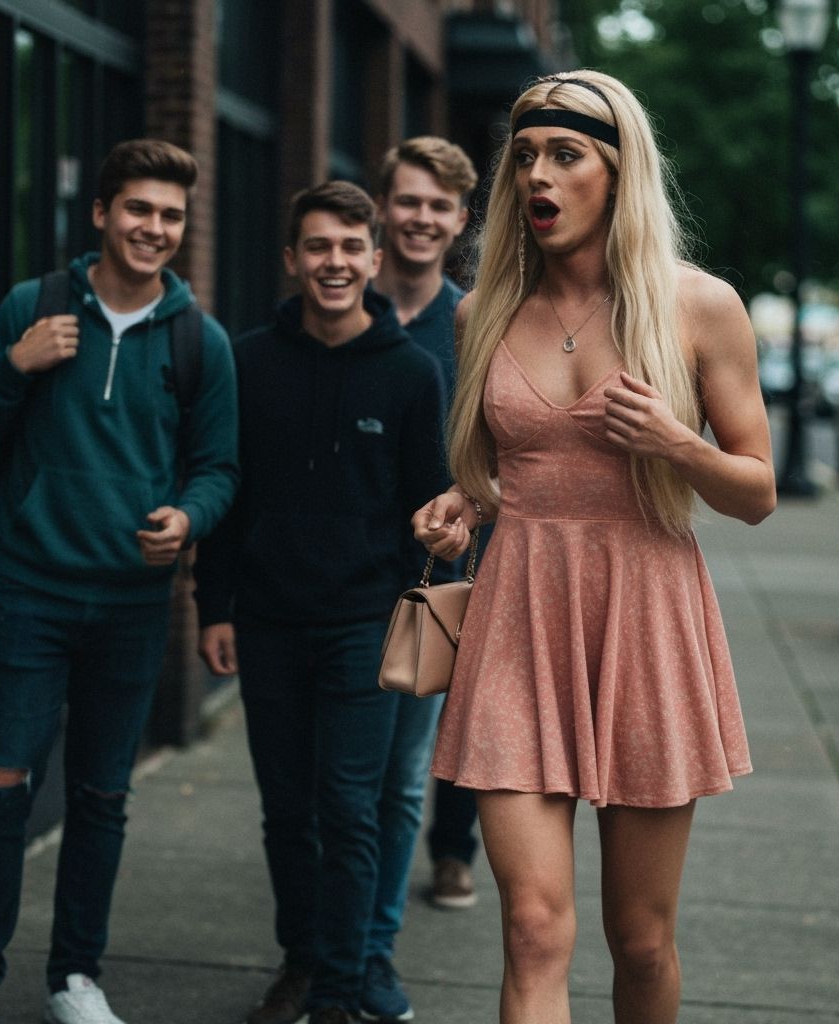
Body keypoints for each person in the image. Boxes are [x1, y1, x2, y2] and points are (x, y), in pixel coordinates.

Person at [412, 71, 776, 1024]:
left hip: (647, 624)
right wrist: (460, 503)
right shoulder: (479, 312)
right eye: (525, 156)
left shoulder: (699, 307)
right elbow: (499, 473)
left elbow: (759, 493)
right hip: (519, 622)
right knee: (532, 928)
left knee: (641, 939)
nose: (539, 173)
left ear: (618, 176)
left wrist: (676, 442)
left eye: (566, 155)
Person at [0, 139, 239, 1024]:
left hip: (132, 606)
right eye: (139, 209)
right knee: (1, 787)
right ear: (101, 213)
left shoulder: (196, 339)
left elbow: (218, 468)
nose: (155, 228)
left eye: (171, 215)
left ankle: (75, 979)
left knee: (102, 795)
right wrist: (16, 366)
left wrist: (188, 517)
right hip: (28, 592)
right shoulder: (37, 306)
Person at [194, 181, 448, 1024]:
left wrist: (416, 591)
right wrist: (213, 607)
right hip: (266, 621)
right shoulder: (247, 359)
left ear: (374, 260)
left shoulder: (412, 373)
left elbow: (429, 506)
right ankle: (300, 963)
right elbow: (227, 494)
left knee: (350, 811)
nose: (333, 264)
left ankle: (340, 986)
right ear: (292, 259)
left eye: (349, 248)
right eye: (317, 248)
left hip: (363, 628)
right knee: (285, 812)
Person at [366, 133, 480, 1015]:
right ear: (383, 208)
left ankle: (375, 945)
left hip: (437, 587)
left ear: (461, 220)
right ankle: (338, 935)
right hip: (335, 579)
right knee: (343, 777)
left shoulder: (473, 323)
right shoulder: (344, 305)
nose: (422, 218)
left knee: (409, 772)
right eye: (408, 200)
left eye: (439, 205)